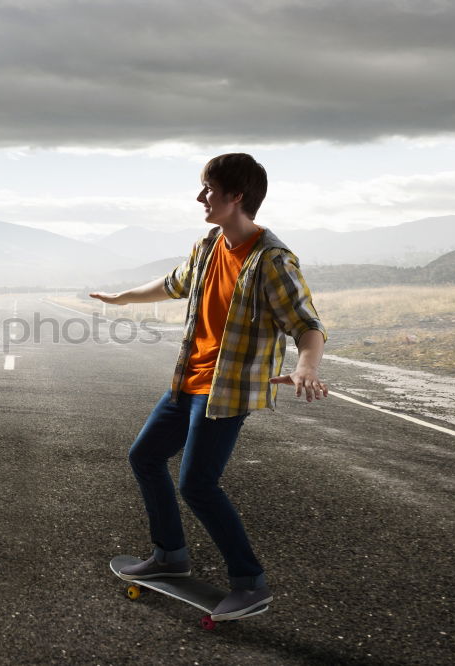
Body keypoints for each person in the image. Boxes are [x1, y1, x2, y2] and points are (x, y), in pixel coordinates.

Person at [90, 153, 328, 620]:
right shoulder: (209, 246)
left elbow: (306, 324)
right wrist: (121, 297)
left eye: (208, 189)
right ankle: (170, 557)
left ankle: (249, 582)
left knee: (197, 484)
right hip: (187, 380)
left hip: (225, 391)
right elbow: (172, 283)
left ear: (236, 196)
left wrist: (307, 367)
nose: (201, 197)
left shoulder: (270, 261)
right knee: (145, 456)